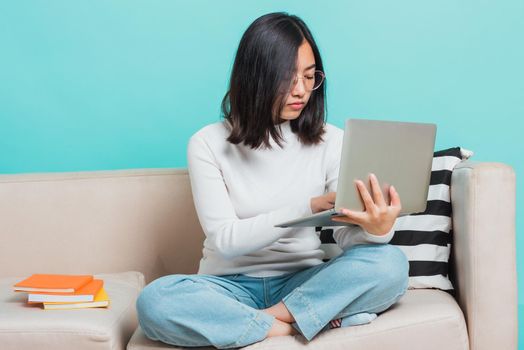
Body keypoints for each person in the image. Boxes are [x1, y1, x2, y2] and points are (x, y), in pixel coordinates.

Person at [136, 12, 409, 349]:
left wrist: (376, 230)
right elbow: (225, 240)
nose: (301, 90)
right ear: (255, 77)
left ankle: (268, 319)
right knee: (156, 301)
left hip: (303, 282)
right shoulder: (207, 143)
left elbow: (345, 235)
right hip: (227, 288)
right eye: (287, 78)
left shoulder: (331, 140)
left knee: (391, 264)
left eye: (310, 77)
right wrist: (307, 207)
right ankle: (301, 324)